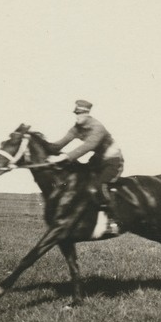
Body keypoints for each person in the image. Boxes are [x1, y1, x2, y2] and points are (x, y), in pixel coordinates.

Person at [46, 99, 124, 235]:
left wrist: (65, 157)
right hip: (97, 160)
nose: (78, 116)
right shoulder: (77, 127)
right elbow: (58, 145)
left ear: (87, 114)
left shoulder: (97, 127)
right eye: (76, 113)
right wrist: (41, 147)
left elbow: (88, 146)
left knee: (99, 186)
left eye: (81, 113)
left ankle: (113, 221)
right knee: (79, 181)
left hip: (113, 161)